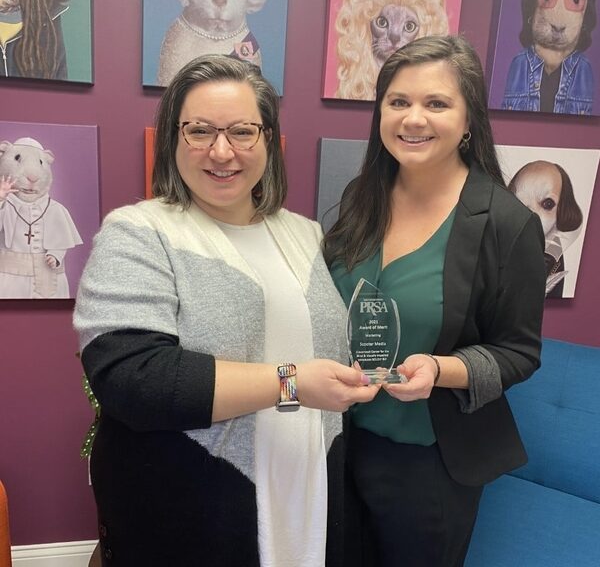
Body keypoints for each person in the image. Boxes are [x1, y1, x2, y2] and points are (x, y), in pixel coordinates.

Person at [73, 55, 379, 567]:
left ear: (267, 139)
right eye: (199, 131)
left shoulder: (305, 235)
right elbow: (132, 379)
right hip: (195, 509)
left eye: (242, 131)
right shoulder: (139, 232)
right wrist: (292, 383)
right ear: (174, 138)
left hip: (304, 494)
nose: (222, 151)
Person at [323, 35, 546, 566]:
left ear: (469, 120)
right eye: (398, 102)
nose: (412, 118)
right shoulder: (363, 197)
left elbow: (519, 352)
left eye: (436, 103)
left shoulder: (508, 225)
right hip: (341, 440)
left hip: (430, 464)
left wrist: (440, 369)